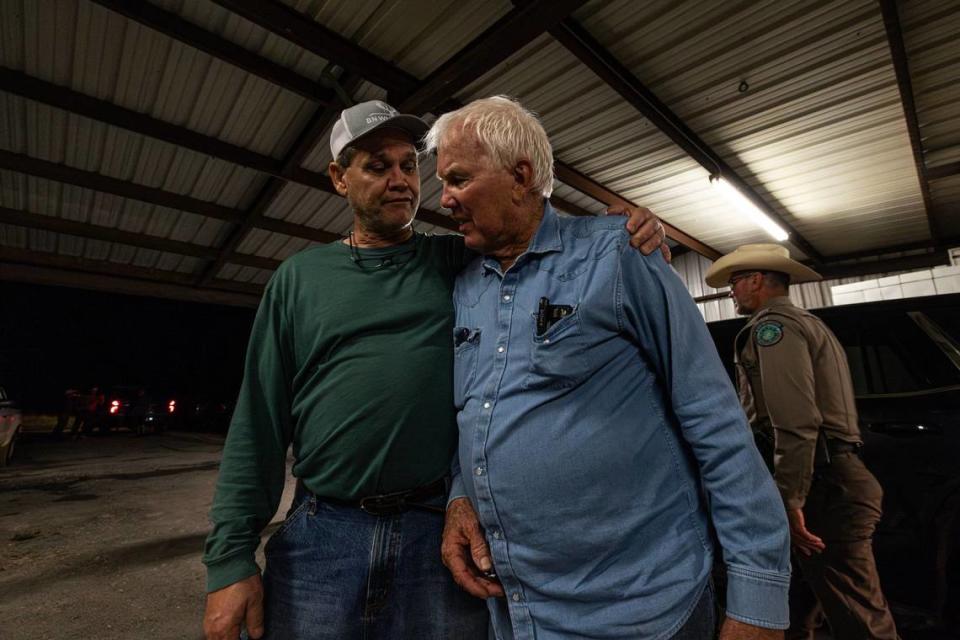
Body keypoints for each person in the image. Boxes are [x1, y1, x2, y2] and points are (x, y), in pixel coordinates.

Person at [201, 99, 667, 640]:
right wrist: (230, 559)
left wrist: (622, 228)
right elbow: (258, 422)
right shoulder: (299, 279)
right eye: (377, 166)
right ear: (338, 179)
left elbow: (533, 239)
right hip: (324, 534)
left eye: (406, 164)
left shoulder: (458, 261)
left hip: (438, 532)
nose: (400, 179)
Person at [428, 96, 791, 640]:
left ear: (520, 175)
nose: (444, 198)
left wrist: (757, 597)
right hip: (523, 613)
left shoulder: (618, 256)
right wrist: (460, 494)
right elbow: (474, 414)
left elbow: (714, 419)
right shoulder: (465, 287)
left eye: (457, 179)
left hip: (642, 608)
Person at [704, 244, 899, 640]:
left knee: (861, 618)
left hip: (820, 488)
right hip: (828, 479)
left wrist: (790, 500)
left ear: (756, 280)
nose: (732, 291)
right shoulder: (810, 323)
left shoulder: (772, 328)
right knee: (794, 610)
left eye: (736, 281)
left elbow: (794, 421)